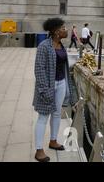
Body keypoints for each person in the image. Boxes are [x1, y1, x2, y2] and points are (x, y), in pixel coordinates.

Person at [33, 17, 78, 162]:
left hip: (61, 84)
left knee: (57, 113)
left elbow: (64, 66)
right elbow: (39, 69)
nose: (66, 30)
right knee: (43, 117)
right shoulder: (44, 46)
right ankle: (39, 150)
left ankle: (53, 141)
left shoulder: (61, 45)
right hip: (47, 86)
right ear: (56, 31)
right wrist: (44, 90)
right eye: (64, 28)